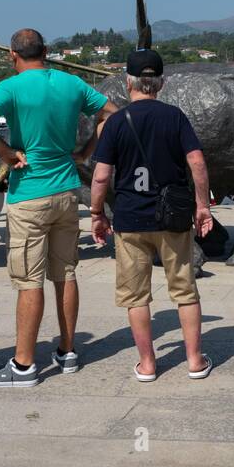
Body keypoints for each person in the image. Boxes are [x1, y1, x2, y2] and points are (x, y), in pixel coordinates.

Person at [0, 29, 119, 388]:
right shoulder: (72, 83)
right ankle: (67, 352)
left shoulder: (13, 86)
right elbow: (111, 113)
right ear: (47, 52)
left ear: (12, 54)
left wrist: (4, 152)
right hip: (67, 190)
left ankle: (23, 366)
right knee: (65, 274)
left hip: (29, 195)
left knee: (28, 280)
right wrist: (86, 151)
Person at [89, 48, 214, 381]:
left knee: (136, 296)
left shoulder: (115, 122)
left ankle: (147, 364)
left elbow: (101, 176)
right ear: (161, 83)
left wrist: (97, 212)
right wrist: (202, 205)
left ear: (128, 82)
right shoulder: (175, 117)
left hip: (130, 220)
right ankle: (194, 361)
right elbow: (197, 163)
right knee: (185, 291)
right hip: (172, 217)